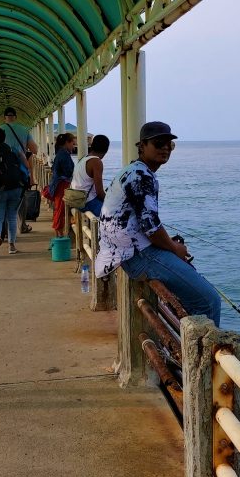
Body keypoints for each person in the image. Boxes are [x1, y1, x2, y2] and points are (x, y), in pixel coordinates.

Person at [94, 122, 221, 325]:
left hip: (125, 252)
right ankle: (199, 355)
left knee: (192, 295)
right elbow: (151, 228)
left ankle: (184, 346)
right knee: (209, 300)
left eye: (169, 145)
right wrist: (174, 248)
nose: (165, 148)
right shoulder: (141, 176)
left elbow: (145, 223)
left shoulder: (133, 171)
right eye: (158, 143)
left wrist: (169, 244)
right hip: (137, 255)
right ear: (142, 146)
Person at [0, 107, 38, 235]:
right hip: (20, 171)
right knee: (22, 198)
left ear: (4, 118)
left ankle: (3, 229)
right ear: (15, 117)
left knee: (3, 199)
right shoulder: (23, 130)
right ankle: (22, 225)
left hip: (1, 170)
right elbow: (34, 150)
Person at [0, 126, 25, 256]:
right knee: (12, 217)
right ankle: (11, 246)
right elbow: (24, 163)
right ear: (4, 137)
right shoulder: (12, 149)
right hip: (15, 187)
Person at [69, 134, 110, 217]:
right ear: (106, 149)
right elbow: (99, 192)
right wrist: (111, 202)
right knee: (112, 215)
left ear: (92, 145)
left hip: (76, 199)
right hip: (86, 201)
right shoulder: (96, 162)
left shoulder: (84, 159)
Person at [49, 132, 76, 238]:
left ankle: (58, 234)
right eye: (72, 144)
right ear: (66, 143)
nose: (73, 146)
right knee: (60, 209)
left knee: (58, 209)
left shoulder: (60, 153)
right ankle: (59, 235)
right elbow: (69, 171)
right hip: (62, 185)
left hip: (57, 184)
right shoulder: (64, 155)